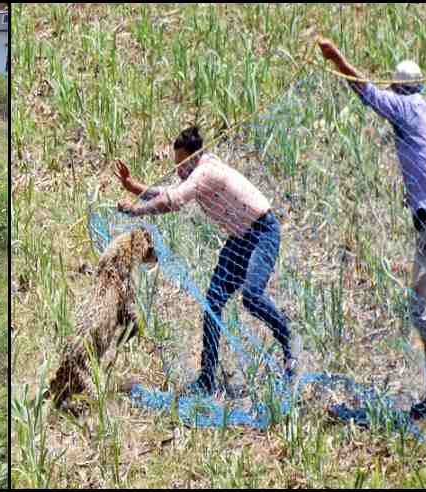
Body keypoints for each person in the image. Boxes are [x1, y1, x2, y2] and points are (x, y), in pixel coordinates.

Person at [318, 38, 426, 419]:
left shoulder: (406, 108)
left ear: (401, 88)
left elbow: (365, 90)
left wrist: (335, 56)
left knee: (419, 309)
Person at [114, 126, 296, 396]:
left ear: (195, 156)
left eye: (181, 164)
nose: (178, 171)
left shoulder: (206, 170)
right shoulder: (196, 173)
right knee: (213, 304)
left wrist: (137, 210)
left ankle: (289, 347)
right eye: (176, 165)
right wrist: (134, 187)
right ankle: (207, 378)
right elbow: (170, 191)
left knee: (252, 296)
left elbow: (173, 200)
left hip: (262, 233)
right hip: (240, 240)